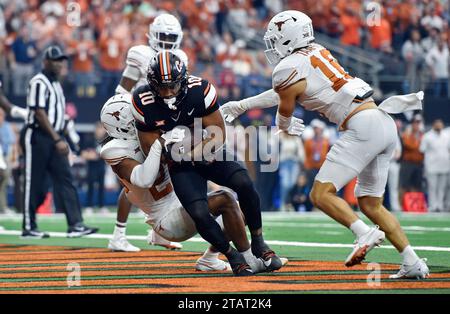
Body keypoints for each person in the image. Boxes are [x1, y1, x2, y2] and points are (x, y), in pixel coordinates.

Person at [220, 10, 429, 279]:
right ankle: (411, 261)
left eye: (275, 39)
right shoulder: (316, 51)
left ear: (288, 38)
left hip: (362, 127)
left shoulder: (287, 68)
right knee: (371, 204)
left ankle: (363, 233)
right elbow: (286, 92)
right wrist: (242, 105)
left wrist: (283, 124)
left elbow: (285, 106)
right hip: (382, 121)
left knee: (320, 194)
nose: (271, 46)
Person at [131, 51, 284, 275]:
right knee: (199, 213)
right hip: (177, 161)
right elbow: (149, 147)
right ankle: (232, 255)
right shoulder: (142, 100)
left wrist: (195, 152)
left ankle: (259, 241)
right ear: (152, 85)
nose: (168, 92)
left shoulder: (199, 89)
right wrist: (173, 151)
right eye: (162, 87)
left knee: (243, 182)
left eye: (173, 85)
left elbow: (218, 133)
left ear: (182, 79)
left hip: (206, 150)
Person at [100, 94, 274, 274]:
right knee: (226, 200)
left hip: (178, 201)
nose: (145, 116)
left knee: (241, 208)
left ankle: (210, 259)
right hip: (166, 218)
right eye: (137, 116)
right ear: (124, 125)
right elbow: (145, 180)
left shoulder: (148, 133)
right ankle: (249, 259)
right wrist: (160, 144)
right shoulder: (114, 150)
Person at [112, 13, 188, 250]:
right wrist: (123, 118)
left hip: (164, 123)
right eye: (162, 36)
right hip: (139, 121)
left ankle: (159, 233)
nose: (166, 41)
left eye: (170, 37)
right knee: (135, 181)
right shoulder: (140, 54)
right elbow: (121, 90)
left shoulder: (181, 57)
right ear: (152, 36)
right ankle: (118, 235)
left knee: (167, 177)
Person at [21, 45, 98, 238]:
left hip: (54, 137)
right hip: (38, 136)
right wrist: (57, 139)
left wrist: (70, 139)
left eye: (61, 61)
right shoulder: (38, 81)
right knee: (35, 182)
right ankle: (29, 226)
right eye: (55, 60)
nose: (59, 64)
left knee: (66, 179)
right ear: (45, 62)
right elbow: (39, 113)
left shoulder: (56, 85)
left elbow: (60, 117)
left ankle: (75, 224)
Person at [420, 119, 450, 212]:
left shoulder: (446, 136)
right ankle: (433, 206)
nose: (439, 126)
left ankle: (440, 206)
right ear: (433, 125)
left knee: (442, 188)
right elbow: (422, 149)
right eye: (437, 124)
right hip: (431, 166)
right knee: (432, 187)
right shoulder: (427, 136)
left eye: (440, 124)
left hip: (444, 165)